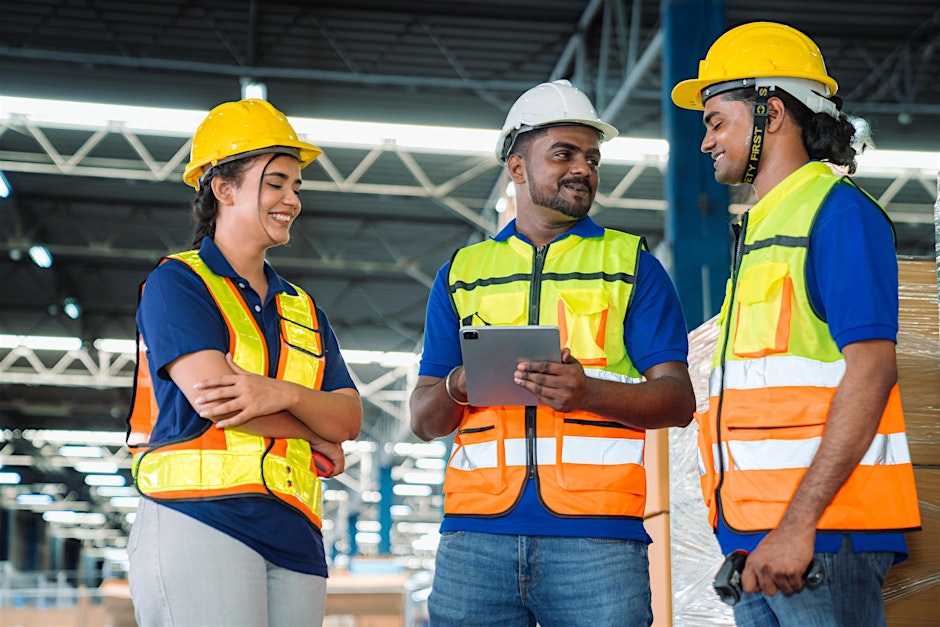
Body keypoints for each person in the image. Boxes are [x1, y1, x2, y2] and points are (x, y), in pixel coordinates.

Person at [410, 79, 696, 626]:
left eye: (592, 158)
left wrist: (586, 392)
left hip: (598, 537)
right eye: (563, 154)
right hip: (475, 539)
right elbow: (424, 420)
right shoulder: (461, 274)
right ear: (517, 168)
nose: (582, 169)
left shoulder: (632, 265)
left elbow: (678, 401)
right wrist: (458, 385)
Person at [671, 21, 921, 626]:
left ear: (773, 112)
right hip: (758, 539)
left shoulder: (836, 213)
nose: (705, 142)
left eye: (716, 122)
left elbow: (872, 371)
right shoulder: (764, 226)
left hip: (818, 537)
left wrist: (798, 524)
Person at [125, 98, 362, 626]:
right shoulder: (178, 283)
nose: (291, 200)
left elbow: (348, 419)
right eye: (275, 183)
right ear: (223, 188)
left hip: (296, 530)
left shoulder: (303, 309)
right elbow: (217, 401)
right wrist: (313, 429)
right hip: (200, 514)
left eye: (296, 186)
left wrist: (283, 394)